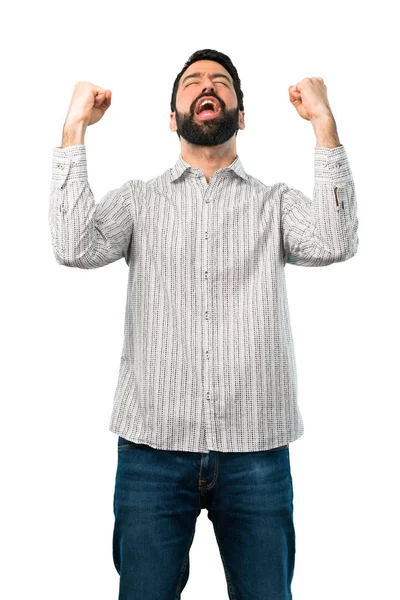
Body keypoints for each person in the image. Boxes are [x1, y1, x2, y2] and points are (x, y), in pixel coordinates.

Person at [48, 48, 359, 600]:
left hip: (258, 452)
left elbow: (336, 239)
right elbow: (73, 247)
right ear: (174, 118)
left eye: (220, 82)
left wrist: (323, 125)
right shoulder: (139, 202)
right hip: (151, 450)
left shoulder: (276, 204)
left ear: (241, 116)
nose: (206, 87)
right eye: (192, 82)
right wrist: (74, 129)